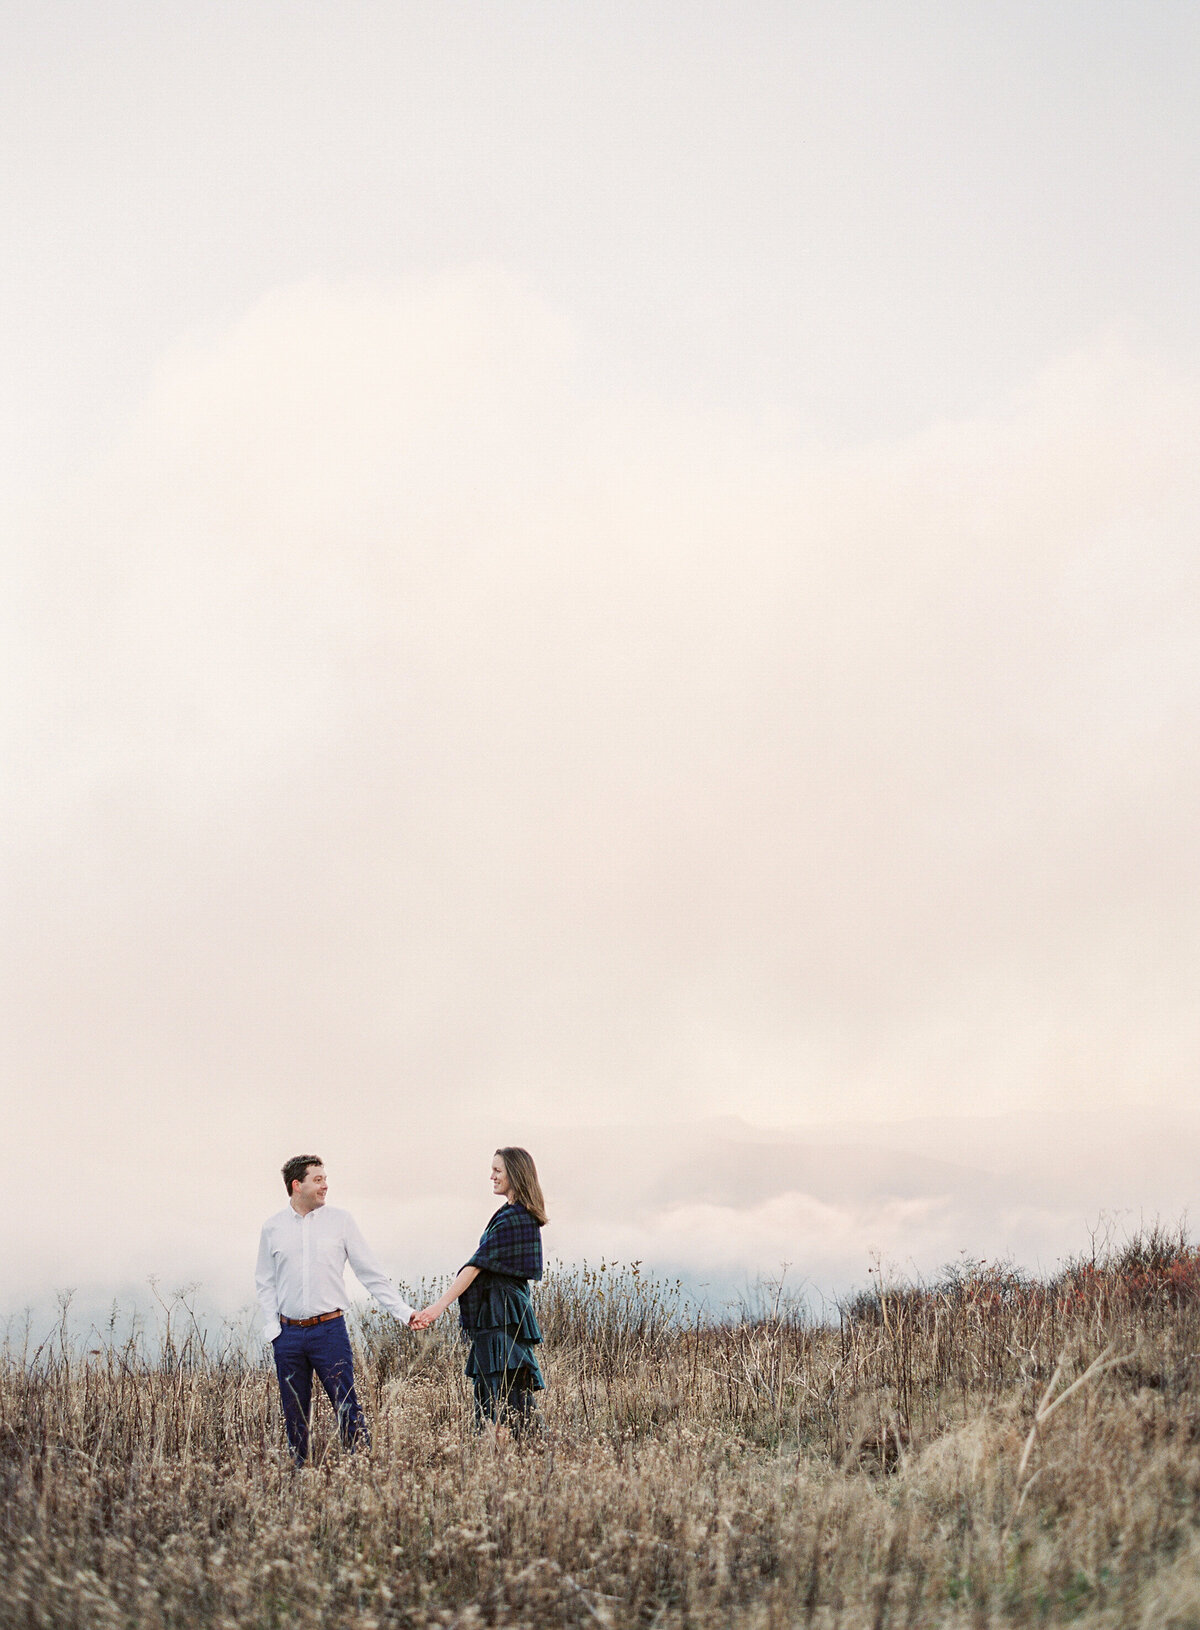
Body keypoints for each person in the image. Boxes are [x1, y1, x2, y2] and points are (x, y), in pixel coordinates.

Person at [255, 1154, 416, 1466]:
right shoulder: (272, 1228)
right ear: (296, 1185)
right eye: (318, 1180)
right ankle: (300, 1480)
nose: (325, 1186)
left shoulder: (341, 1221)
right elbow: (265, 1281)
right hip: (287, 1335)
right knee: (295, 1414)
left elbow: (370, 1273)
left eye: (325, 1179)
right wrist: (273, 1329)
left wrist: (403, 1312)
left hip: (329, 1331)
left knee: (347, 1406)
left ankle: (361, 1473)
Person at [413, 1146, 547, 1439]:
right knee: (502, 1390)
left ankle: (526, 1453)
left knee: (506, 1393)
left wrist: (437, 1307)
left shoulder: (515, 1218)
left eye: (498, 1170)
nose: (492, 1176)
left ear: (515, 1173)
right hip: (499, 1311)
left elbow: (475, 1265)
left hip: (501, 1313)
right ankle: (515, 1454)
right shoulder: (511, 1214)